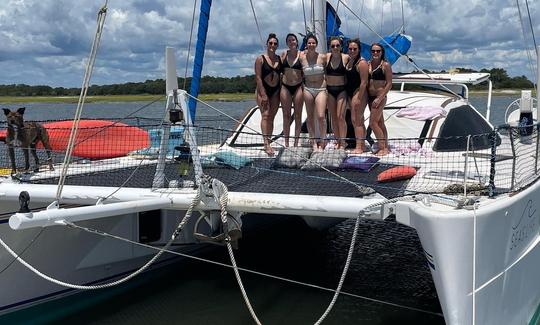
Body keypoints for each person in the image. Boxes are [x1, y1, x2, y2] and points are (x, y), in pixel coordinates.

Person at [255, 33, 282, 155]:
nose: (273, 45)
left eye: (275, 43)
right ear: (267, 44)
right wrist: (263, 94)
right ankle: (265, 143)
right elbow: (258, 77)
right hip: (263, 90)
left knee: (272, 116)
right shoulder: (260, 59)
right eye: (270, 43)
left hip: (275, 91)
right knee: (265, 115)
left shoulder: (279, 59)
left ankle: (269, 141)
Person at [300, 34, 327, 151]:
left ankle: (323, 140)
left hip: (321, 89)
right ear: (306, 44)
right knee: (310, 117)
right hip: (308, 89)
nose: (311, 45)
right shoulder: (301, 57)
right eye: (309, 43)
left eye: (313, 43)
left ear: (316, 44)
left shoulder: (322, 57)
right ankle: (313, 142)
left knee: (321, 116)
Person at [367, 43, 392, 156]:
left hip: (379, 97)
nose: (375, 53)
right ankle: (385, 145)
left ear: (382, 52)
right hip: (370, 96)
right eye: (373, 51)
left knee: (372, 123)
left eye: (378, 51)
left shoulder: (385, 65)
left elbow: (389, 83)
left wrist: (380, 97)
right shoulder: (368, 64)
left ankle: (382, 148)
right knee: (380, 122)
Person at [280, 33, 304, 147]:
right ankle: (286, 142)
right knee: (286, 115)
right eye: (289, 40)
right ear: (287, 43)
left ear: (297, 41)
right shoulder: (284, 54)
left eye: (293, 40)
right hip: (285, 86)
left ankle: (295, 142)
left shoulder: (302, 55)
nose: (291, 42)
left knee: (298, 115)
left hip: (298, 86)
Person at [345, 38, 369, 153]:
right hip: (350, 93)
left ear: (359, 49)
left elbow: (364, 82)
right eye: (350, 48)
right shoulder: (349, 61)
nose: (352, 50)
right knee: (356, 120)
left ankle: (359, 146)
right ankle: (362, 144)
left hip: (358, 93)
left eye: (355, 49)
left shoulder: (362, 63)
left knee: (357, 120)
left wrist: (359, 97)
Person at [325, 36, 349, 149]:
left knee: (340, 116)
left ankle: (343, 142)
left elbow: (358, 61)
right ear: (330, 47)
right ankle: (337, 140)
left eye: (337, 45)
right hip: (329, 90)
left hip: (341, 90)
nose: (335, 47)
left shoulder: (345, 58)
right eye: (333, 46)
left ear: (341, 46)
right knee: (333, 117)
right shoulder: (326, 57)